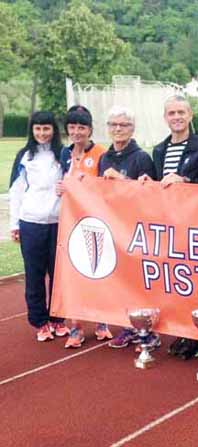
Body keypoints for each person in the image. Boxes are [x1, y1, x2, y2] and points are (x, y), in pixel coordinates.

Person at [139, 95, 198, 360]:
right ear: (165, 118)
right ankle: (183, 330)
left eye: (181, 112)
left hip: (195, 224)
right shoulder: (159, 150)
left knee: (197, 282)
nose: (177, 117)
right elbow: (159, 186)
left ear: (190, 114)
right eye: (171, 113)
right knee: (175, 281)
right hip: (169, 226)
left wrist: (184, 179)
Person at [9, 111, 70, 341]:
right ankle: (40, 322)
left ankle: (57, 319)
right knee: (34, 275)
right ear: (32, 130)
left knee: (59, 274)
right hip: (31, 223)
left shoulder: (63, 154)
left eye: (46, 129)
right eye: (38, 129)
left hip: (58, 223)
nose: (42, 133)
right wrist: (14, 224)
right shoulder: (24, 156)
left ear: (53, 130)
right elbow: (15, 192)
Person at [99, 106, 156, 349]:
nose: (118, 129)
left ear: (132, 129)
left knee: (139, 282)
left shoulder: (142, 158)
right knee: (119, 280)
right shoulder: (104, 157)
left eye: (123, 125)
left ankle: (148, 330)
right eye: (113, 125)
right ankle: (127, 326)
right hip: (112, 230)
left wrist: (122, 182)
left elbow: (150, 197)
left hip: (136, 231)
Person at [58, 105, 112, 348]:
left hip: (96, 222)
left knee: (96, 270)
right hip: (70, 222)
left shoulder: (101, 153)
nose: (77, 132)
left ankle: (101, 320)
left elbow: (105, 188)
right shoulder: (64, 153)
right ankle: (76, 327)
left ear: (90, 129)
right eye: (72, 127)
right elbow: (63, 184)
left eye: (82, 127)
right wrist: (60, 189)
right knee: (73, 273)